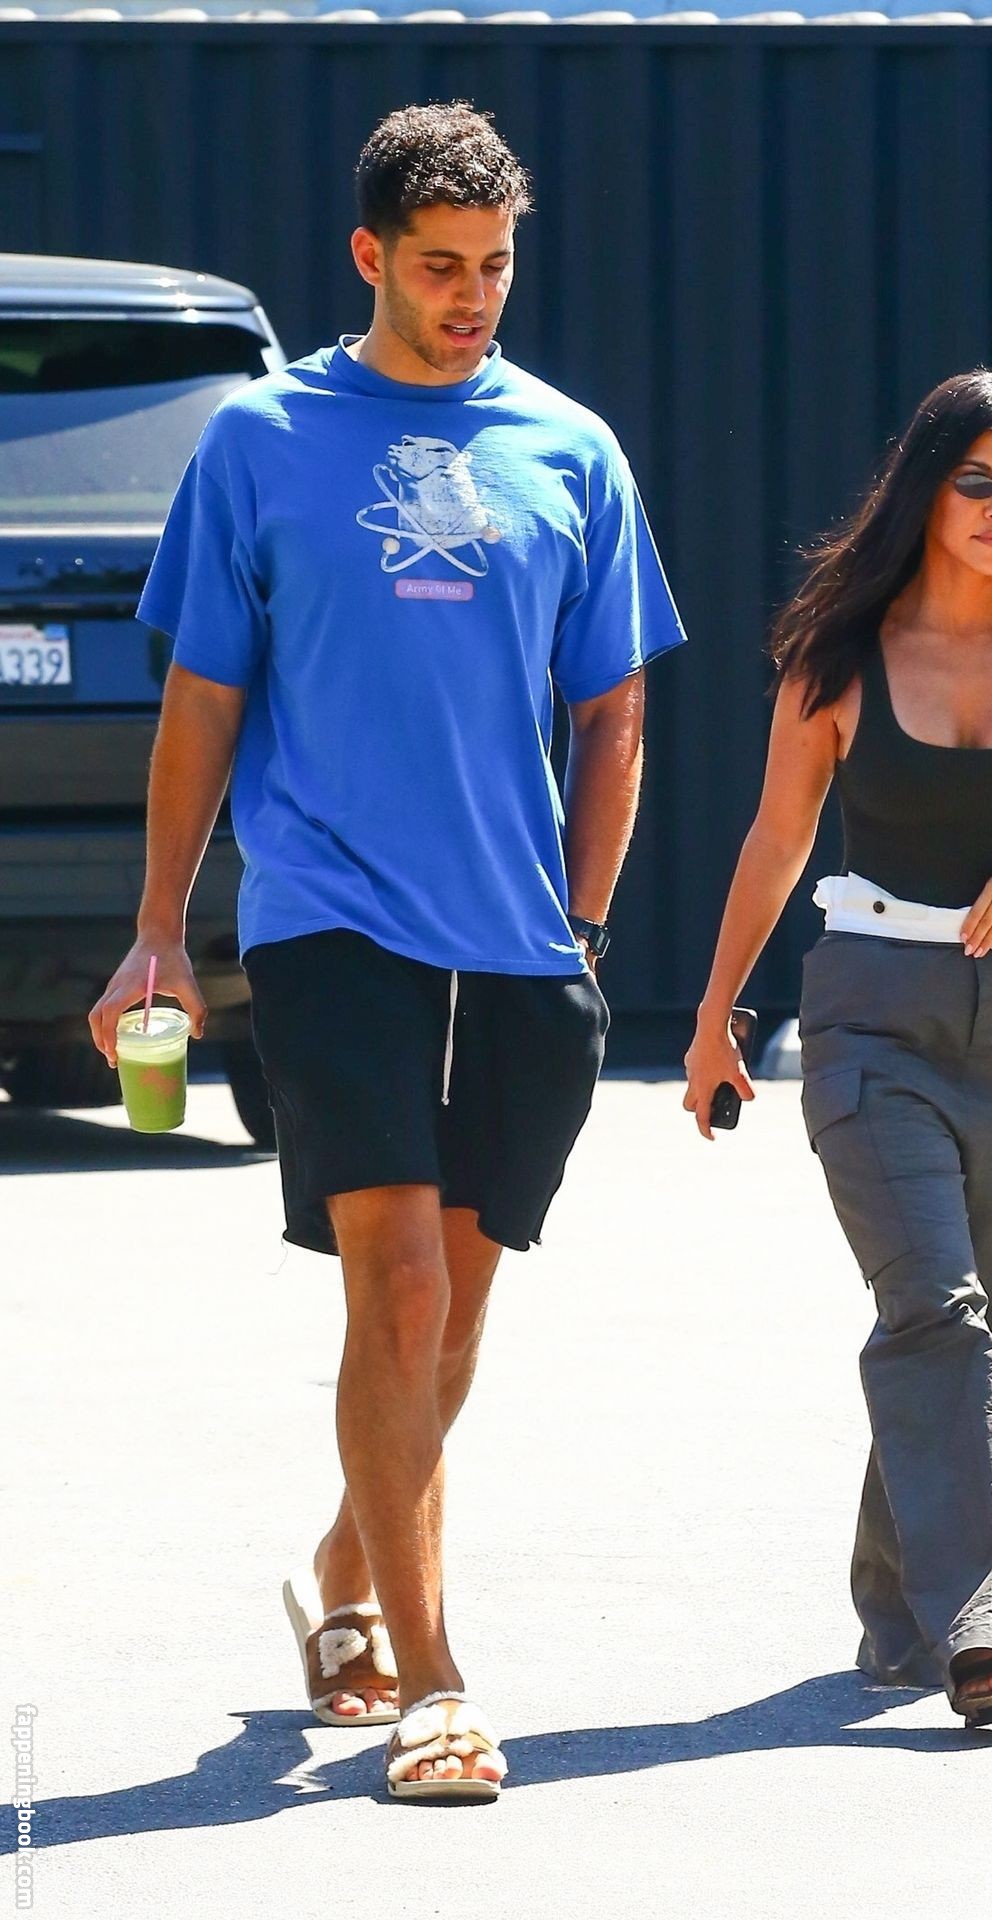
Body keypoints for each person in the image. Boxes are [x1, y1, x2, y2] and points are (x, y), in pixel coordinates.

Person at [89, 101, 686, 1801]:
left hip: (521, 938)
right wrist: (156, 929)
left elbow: (614, 705)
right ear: (369, 256)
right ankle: (437, 1688)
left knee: (457, 1311)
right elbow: (203, 698)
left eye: (495, 264)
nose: (472, 294)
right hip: (327, 915)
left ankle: (344, 1575)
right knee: (399, 1284)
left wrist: (584, 921)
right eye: (439, 265)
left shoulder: (571, 449)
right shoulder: (261, 441)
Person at [683, 370, 992, 1726]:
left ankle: (904, 1614)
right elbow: (777, 837)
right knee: (940, 1314)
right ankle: (987, 1625)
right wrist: (715, 1018)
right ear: (926, 489)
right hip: (872, 1013)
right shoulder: (839, 655)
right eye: (975, 484)